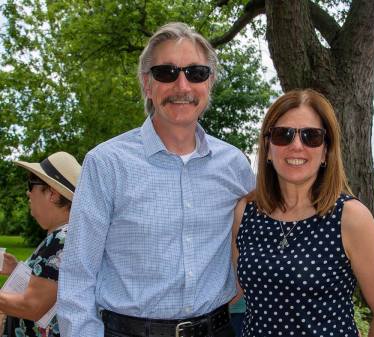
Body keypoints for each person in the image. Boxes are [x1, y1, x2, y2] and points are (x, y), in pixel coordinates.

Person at [57, 22, 255, 337]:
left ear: (210, 83)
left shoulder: (235, 165)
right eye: (166, 73)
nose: (182, 86)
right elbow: (77, 277)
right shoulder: (107, 163)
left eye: (196, 73)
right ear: (147, 84)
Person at [231, 89, 374, 337]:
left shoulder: (350, 217)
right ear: (268, 148)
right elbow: (234, 292)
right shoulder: (246, 213)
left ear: (325, 151)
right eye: (283, 135)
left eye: (311, 136)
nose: (296, 146)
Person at [0, 151, 81, 337]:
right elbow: (52, 284)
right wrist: (17, 271)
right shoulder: (67, 234)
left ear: (52, 194)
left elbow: (32, 306)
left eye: (32, 184)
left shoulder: (61, 239)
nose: (28, 192)